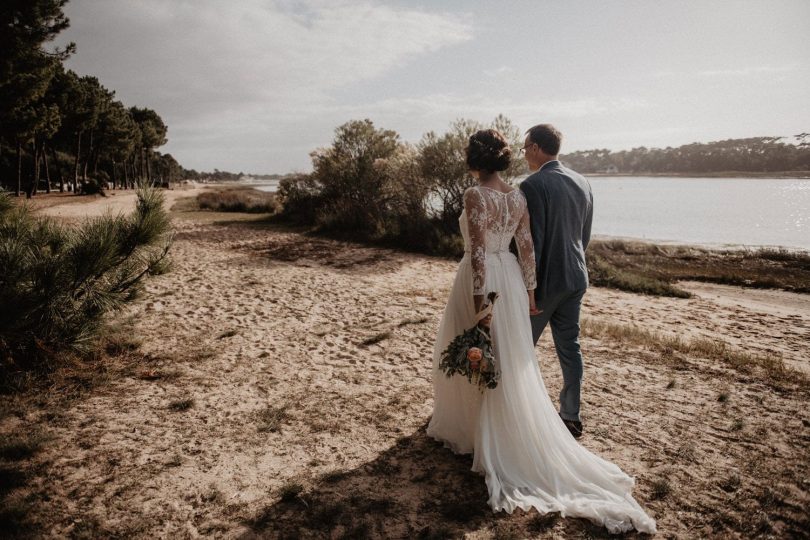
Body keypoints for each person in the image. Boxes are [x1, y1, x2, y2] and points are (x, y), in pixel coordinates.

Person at [426, 129, 656, 534]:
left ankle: (482, 434)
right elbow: (528, 246)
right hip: (523, 280)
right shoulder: (524, 194)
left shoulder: (480, 194)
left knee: (484, 354)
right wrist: (528, 291)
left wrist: (482, 302)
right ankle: (558, 415)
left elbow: (479, 252)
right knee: (517, 357)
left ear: (475, 159)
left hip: (487, 280)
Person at [519, 123, 593, 439]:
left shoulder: (533, 185)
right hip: (576, 276)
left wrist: (529, 290)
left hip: (547, 282)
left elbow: (532, 242)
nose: (523, 154)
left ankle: (518, 412)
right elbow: (584, 236)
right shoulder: (583, 182)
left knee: (520, 347)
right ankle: (571, 415)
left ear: (536, 148)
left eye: (525, 148)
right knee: (569, 347)